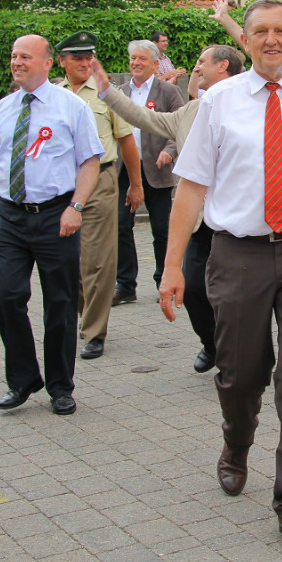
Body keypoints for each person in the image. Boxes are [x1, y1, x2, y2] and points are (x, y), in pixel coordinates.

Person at [159, 0, 282, 561]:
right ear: (245, 41)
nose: (271, 40)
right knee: (241, 373)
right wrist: (172, 265)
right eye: (260, 31)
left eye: (281, 31)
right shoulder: (218, 102)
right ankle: (236, 438)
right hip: (237, 254)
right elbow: (191, 188)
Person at [91, 44, 245, 373]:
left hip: (239, 222)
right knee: (194, 289)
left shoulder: (250, 107)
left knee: (236, 296)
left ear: (223, 66)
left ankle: (239, 355)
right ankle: (211, 344)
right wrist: (106, 91)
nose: (196, 67)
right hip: (199, 220)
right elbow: (145, 118)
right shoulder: (192, 111)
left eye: (202, 61)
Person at [0, 34, 104, 416]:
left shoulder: (72, 107)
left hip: (56, 215)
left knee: (61, 303)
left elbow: (90, 162)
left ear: (48, 63)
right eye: (13, 56)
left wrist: (76, 207)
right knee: (5, 295)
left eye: (25, 56)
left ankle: (60, 386)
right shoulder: (1, 110)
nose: (17, 62)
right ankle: (22, 380)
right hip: (10, 216)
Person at [55, 31, 143, 362]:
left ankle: (94, 331)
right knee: (70, 262)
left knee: (97, 259)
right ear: (61, 61)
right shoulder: (54, 95)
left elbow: (126, 141)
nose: (84, 63)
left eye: (88, 57)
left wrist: (135, 184)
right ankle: (85, 315)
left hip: (102, 181)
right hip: (62, 185)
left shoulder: (108, 94)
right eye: (76, 58)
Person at [114, 40, 185, 310]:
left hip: (156, 169)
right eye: (133, 58)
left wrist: (170, 150)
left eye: (142, 59)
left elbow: (181, 125)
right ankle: (125, 285)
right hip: (125, 171)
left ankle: (163, 281)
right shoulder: (120, 92)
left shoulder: (168, 91)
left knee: (162, 229)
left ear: (155, 64)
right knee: (120, 226)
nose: (136, 63)